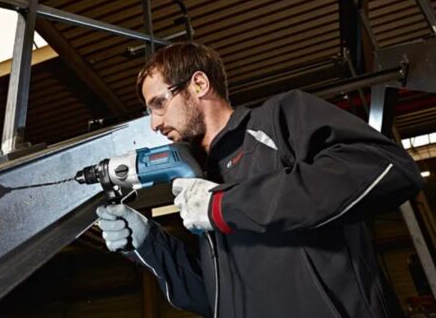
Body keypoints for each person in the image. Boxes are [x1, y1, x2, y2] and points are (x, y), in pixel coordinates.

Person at [95, 42, 423, 318]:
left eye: (159, 104)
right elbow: (212, 298)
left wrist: (226, 205)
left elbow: (388, 167)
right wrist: (148, 242)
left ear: (199, 84)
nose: (154, 124)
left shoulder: (280, 120)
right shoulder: (201, 182)